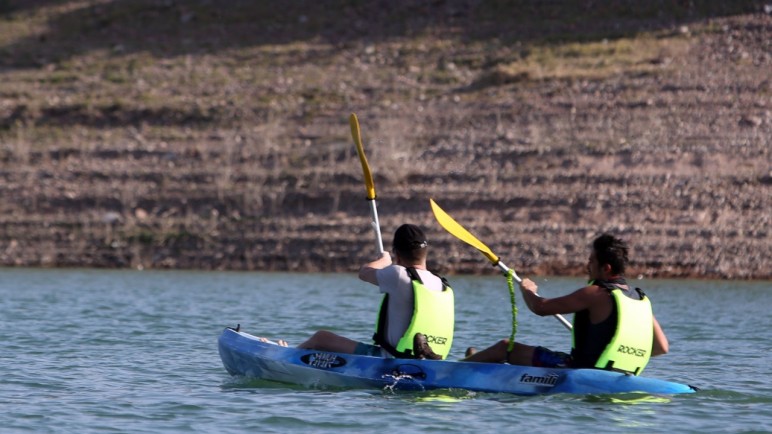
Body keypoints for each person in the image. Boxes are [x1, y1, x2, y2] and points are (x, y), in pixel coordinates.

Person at [463, 233, 668, 375]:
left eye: (591, 261)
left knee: (504, 347)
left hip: (578, 370)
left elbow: (541, 307)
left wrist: (527, 290)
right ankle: (480, 359)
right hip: (621, 374)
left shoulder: (597, 293)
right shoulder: (641, 300)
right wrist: (617, 353)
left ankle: (457, 369)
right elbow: (662, 347)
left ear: (606, 268)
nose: (587, 266)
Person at [266, 224, 455, 360]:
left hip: (389, 358)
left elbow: (364, 273)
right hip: (428, 357)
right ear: (425, 253)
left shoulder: (398, 274)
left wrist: (383, 260)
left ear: (397, 254)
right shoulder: (442, 284)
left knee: (320, 338)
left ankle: (284, 358)